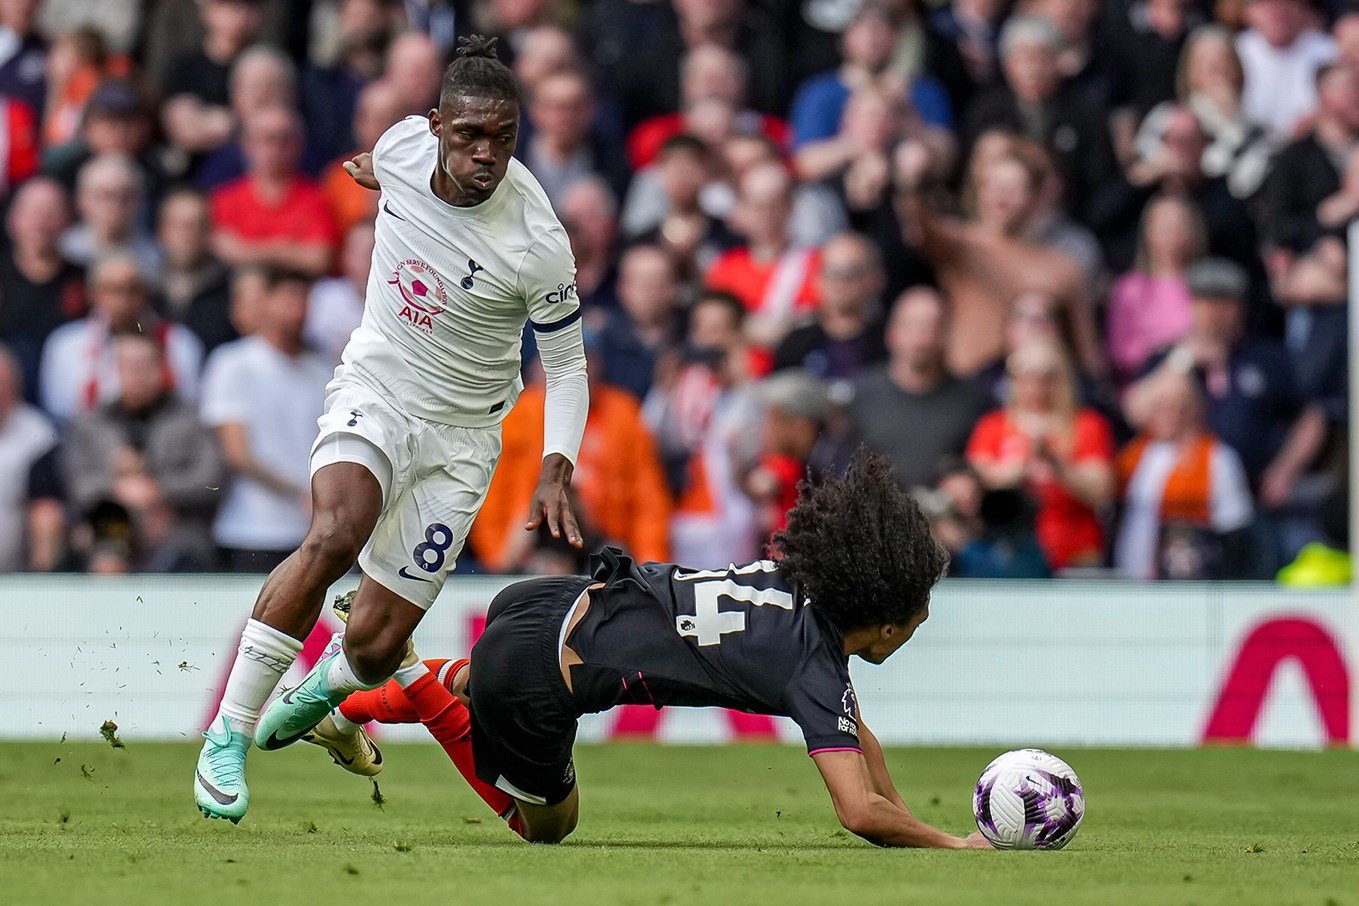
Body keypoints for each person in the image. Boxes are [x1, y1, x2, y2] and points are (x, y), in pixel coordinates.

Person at [194, 36, 589, 826]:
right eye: (471, 135)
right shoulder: (404, 146)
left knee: (374, 645)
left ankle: (327, 691)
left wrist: (556, 463)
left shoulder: (537, 241)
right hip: (376, 390)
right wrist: (374, 170)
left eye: (504, 138)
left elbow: (569, 366)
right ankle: (225, 737)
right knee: (335, 532)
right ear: (437, 124)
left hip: (463, 439)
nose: (487, 154)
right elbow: (384, 163)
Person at [269, 450, 992, 849]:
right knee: (547, 828)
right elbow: (858, 812)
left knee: (480, 681)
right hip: (541, 671)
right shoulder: (811, 662)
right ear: (886, 623)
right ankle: (410, 678)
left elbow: (853, 735)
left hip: (545, 600)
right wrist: (951, 846)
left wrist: (914, 817)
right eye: (918, 621)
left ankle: (352, 705)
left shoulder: (792, 584)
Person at [200, 269, 332, 572]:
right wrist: (300, 493)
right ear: (265, 301)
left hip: (315, 530)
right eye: (288, 298)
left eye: (303, 298)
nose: (298, 309)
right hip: (252, 529)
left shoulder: (324, 370)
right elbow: (237, 452)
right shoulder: (232, 363)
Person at [62, 334, 224, 572]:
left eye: (145, 365)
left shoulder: (191, 419)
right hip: (113, 521)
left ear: (162, 368)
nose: (137, 374)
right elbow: (78, 484)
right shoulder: (91, 423)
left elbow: (211, 479)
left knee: (183, 556)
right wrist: (120, 488)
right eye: (129, 366)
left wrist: (156, 490)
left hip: (177, 526)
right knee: (106, 548)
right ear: (115, 370)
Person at [966, 338, 1116, 571]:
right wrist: (1023, 462)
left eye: (1046, 377)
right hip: (1011, 554)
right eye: (1027, 377)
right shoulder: (993, 427)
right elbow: (977, 486)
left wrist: (1058, 465)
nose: (1036, 387)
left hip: (1075, 553)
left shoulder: (1087, 425)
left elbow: (1101, 490)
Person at [1114, 370, 1253, 580]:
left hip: (1192, 576)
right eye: (1161, 405)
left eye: (1180, 404)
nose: (1172, 413)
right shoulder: (1136, 454)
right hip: (1133, 574)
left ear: (1195, 406)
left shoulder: (1217, 457)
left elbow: (1234, 531)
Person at [848, 287, 989, 490]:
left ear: (946, 334)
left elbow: (983, 463)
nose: (922, 335)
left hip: (943, 515)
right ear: (892, 333)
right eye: (912, 325)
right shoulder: (861, 395)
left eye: (932, 325)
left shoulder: (973, 400)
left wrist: (967, 479)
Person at [39, 253, 203, 422]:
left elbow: (189, 406)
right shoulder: (66, 344)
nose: (123, 300)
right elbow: (58, 413)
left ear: (145, 294)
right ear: (93, 294)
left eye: (132, 290)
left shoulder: (178, 342)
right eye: (113, 290)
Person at [209, 105, 339, 278]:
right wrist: (287, 248)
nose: (276, 149)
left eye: (285, 139)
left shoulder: (315, 199)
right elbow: (221, 250)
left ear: (298, 145)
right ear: (247, 144)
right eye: (267, 139)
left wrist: (247, 251)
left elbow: (319, 259)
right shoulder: (224, 199)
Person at [0, 177, 85, 399]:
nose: (42, 222)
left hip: (68, 399)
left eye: (51, 213)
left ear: (68, 221)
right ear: (13, 220)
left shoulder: (86, 279)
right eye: (33, 212)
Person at [1106, 194, 1204, 383]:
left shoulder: (1206, 285)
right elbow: (1120, 354)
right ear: (1148, 231)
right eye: (1165, 226)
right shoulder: (1129, 289)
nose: (1173, 234)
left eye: (1181, 225)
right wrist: (1174, 351)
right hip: (1144, 388)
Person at [773, 232, 888, 384]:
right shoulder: (795, 344)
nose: (840, 283)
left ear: (875, 278)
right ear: (818, 279)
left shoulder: (892, 341)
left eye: (850, 273)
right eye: (832, 272)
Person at [155, 187, 236, 354]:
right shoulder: (145, 289)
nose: (188, 235)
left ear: (210, 231)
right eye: (180, 225)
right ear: (162, 231)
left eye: (198, 225)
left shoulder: (231, 290)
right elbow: (138, 330)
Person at [0, 346, 57, 571]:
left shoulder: (37, 431)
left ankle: (41, 591)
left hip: (18, 559)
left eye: (3, 386)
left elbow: (46, 499)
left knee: (47, 516)